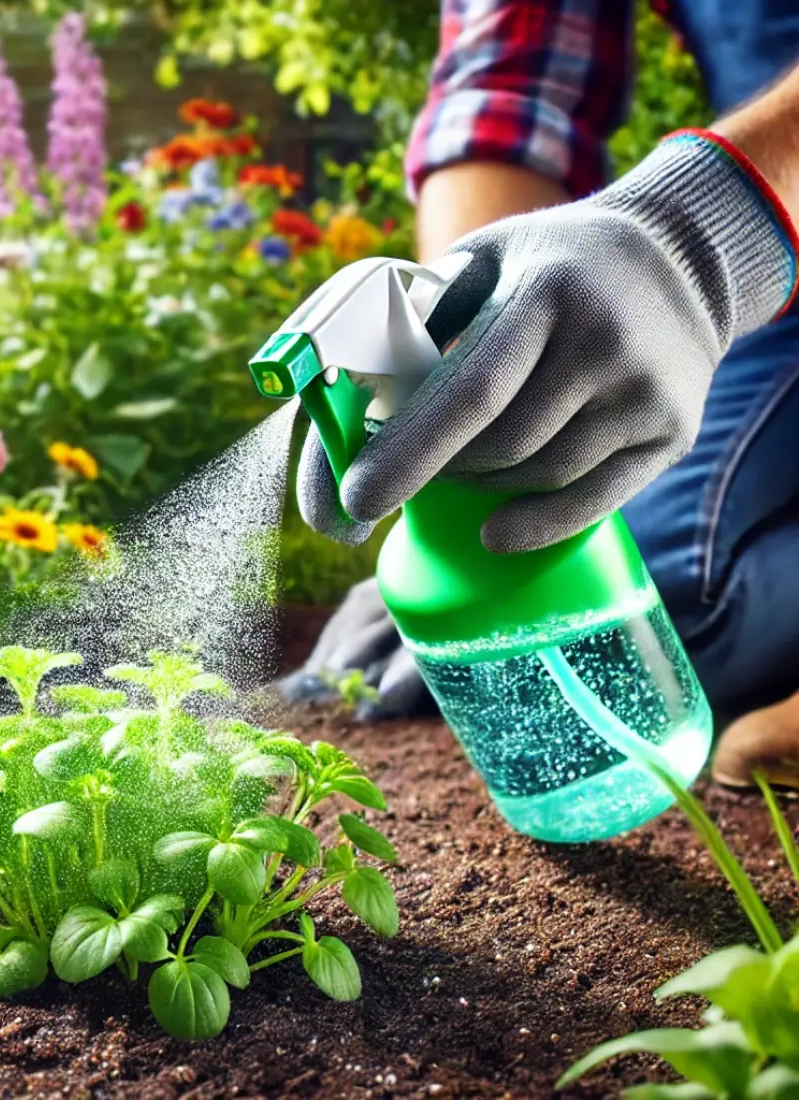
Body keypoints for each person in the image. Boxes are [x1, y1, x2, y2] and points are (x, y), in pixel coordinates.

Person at [283, 0, 799, 790]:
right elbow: (509, 85)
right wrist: (483, 387)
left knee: (666, 597)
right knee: (595, 568)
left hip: (769, 209)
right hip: (787, 274)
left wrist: (696, 233)